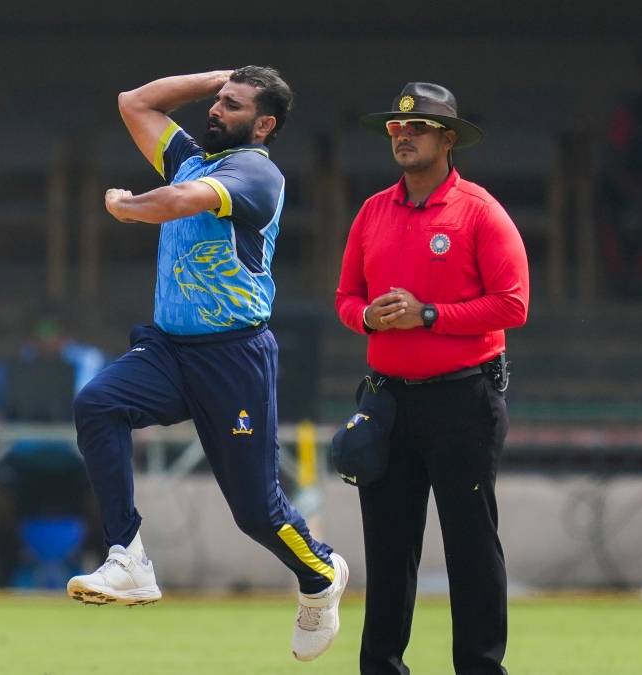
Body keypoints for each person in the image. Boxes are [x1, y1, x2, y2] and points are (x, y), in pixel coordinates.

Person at [66, 66, 348, 662]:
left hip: (232, 358)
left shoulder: (254, 173)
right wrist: (220, 77)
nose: (216, 110)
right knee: (97, 403)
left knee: (256, 511)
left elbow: (177, 202)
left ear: (264, 125)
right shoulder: (191, 156)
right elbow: (133, 101)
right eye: (218, 101)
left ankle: (321, 576)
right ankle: (128, 558)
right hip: (171, 349)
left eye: (233, 105)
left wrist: (124, 206)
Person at [336, 83, 530, 674]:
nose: (404, 136)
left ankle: (479, 667)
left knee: (470, 545)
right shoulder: (372, 211)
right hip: (388, 402)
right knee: (388, 549)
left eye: (417, 128)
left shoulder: (479, 210)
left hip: (462, 401)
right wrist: (368, 316)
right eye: (397, 128)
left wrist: (428, 315)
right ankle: (381, 667)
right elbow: (347, 298)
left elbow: (513, 304)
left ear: (447, 139)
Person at [0, 311, 107, 585]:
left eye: (54, 333)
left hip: (76, 464)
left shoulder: (92, 364)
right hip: (21, 465)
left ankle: (99, 572)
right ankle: (9, 572)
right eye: (41, 335)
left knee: (110, 497)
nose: (48, 341)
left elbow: (121, 405)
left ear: (66, 336)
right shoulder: (11, 368)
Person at [601, 42, 642, 299]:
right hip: (628, 182)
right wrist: (630, 188)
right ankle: (620, 279)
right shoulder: (631, 110)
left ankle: (641, 276)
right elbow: (615, 157)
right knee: (609, 201)